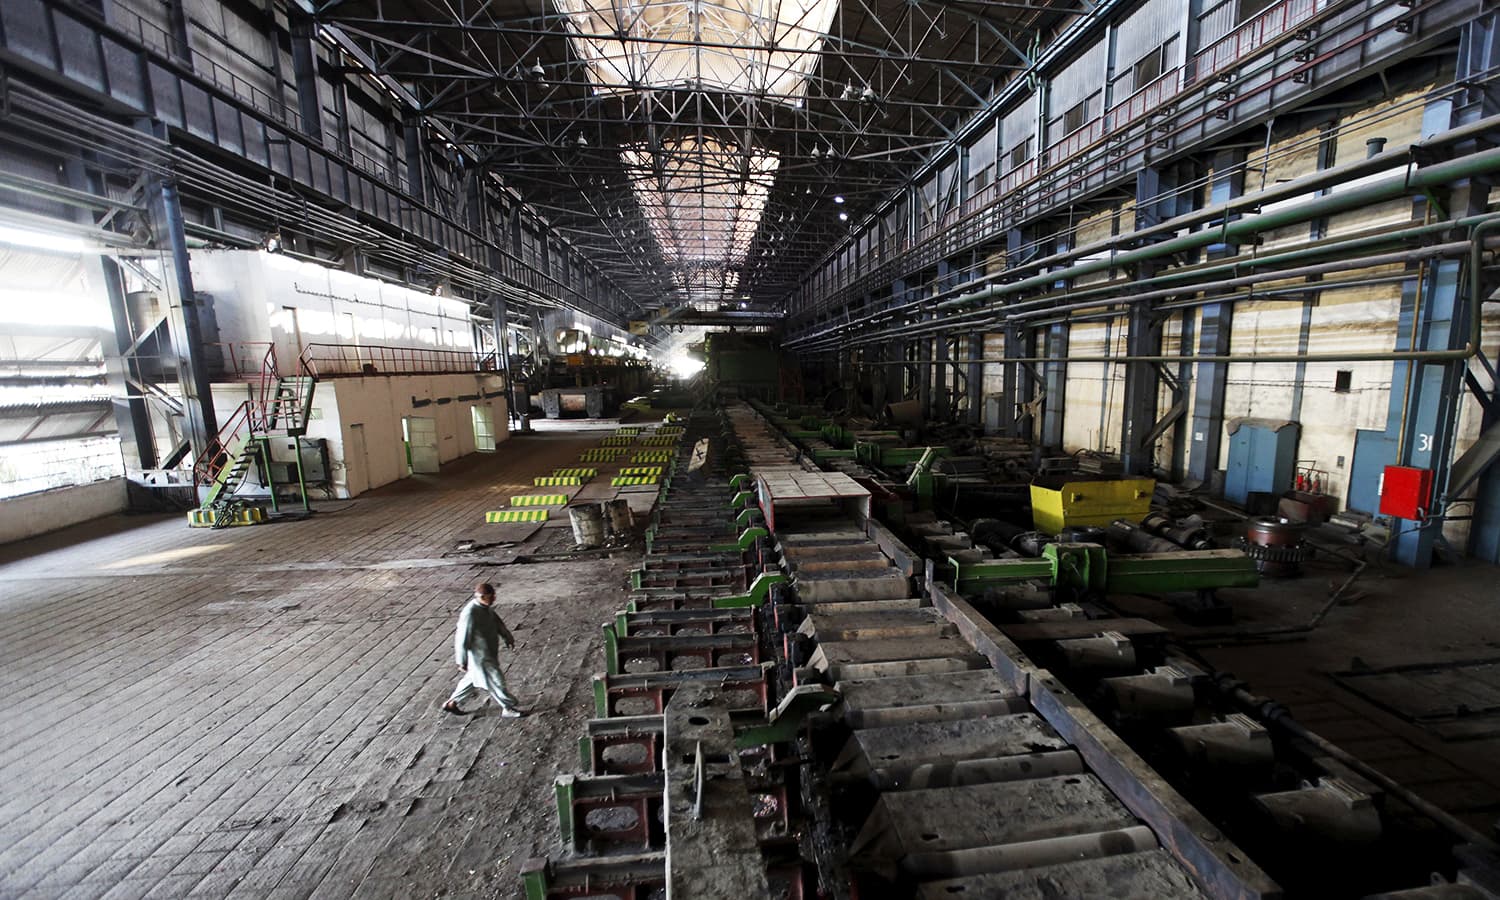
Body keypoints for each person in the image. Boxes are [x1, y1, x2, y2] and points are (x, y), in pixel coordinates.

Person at [443, 582, 525, 717]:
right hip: (480, 656)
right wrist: (461, 660)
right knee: (495, 680)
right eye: (490, 597)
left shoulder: (486, 608)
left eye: (494, 596)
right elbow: (462, 638)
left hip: (489, 651)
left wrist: (507, 636)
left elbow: (497, 622)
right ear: (482, 597)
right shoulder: (470, 613)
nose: (493, 599)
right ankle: (507, 707)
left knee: (472, 679)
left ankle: (452, 703)